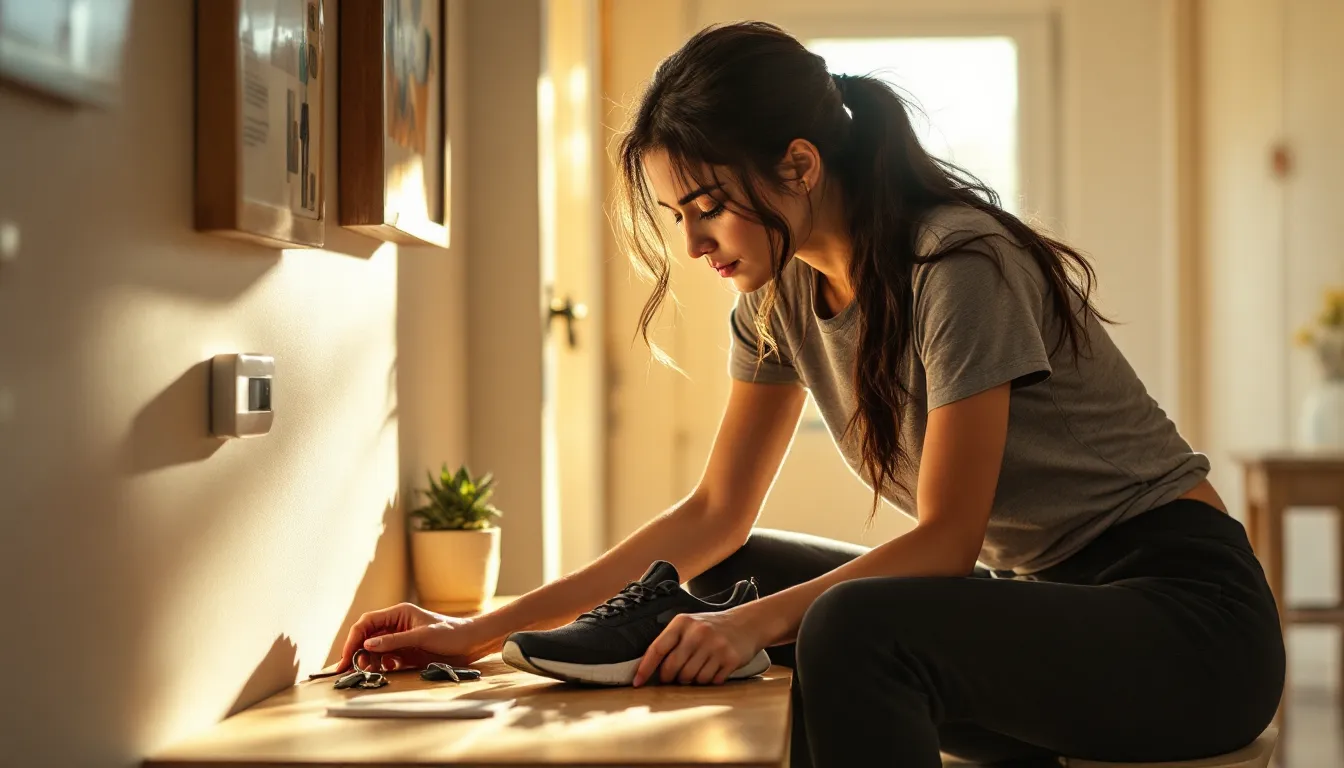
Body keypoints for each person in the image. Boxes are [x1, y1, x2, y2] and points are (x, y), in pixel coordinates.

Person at [332, 21, 1284, 768]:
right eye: (679, 217)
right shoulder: (780, 298)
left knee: (842, 628)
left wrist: (748, 627)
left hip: (1187, 627)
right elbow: (712, 513)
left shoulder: (957, 262)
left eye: (708, 206)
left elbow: (949, 543)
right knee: (723, 567)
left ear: (798, 165)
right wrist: (478, 631)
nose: (695, 244)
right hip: (1049, 617)